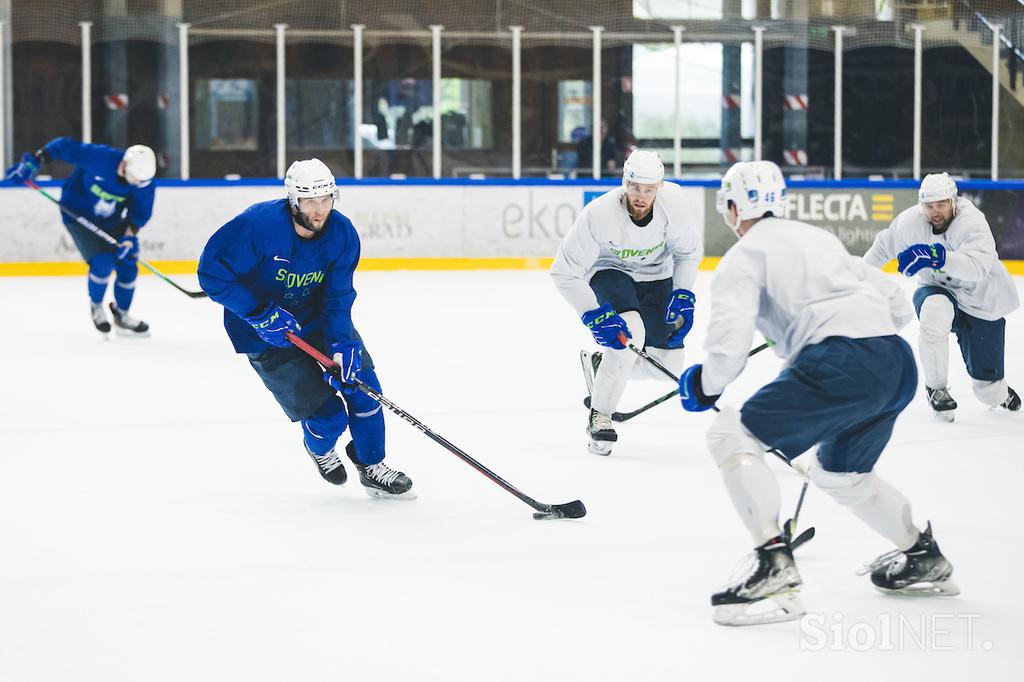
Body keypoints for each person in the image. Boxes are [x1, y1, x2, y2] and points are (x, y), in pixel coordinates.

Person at [678, 161, 958, 626]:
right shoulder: (819, 238)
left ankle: (773, 565)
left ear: (732, 208)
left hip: (840, 364)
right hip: (894, 361)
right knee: (839, 475)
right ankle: (923, 557)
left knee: (730, 433)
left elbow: (727, 352)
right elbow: (893, 302)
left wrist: (703, 385)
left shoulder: (742, 259)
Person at [197, 158, 414, 498]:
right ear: (293, 201)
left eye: (326, 199)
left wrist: (342, 343)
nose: (320, 210)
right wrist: (259, 314)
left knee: (364, 388)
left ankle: (372, 465)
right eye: (310, 201)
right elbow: (212, 273)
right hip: (262, 332)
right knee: (329, 417)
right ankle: (319, 448)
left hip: (318, 321)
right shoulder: (258, 226)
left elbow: (338, 295)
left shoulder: (342, 235)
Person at [551, 150, 703, 456]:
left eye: (649, 190)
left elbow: (688, 253)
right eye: (635, 187)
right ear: (625, 182)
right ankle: (601, 416)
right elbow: (564, 272)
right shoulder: (599, 213)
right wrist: (592, 314)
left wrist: (684, 294)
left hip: (658, 276)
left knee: (666, 369)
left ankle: (602, 365)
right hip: (611, 272)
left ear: (659, 187)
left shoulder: (675, 205)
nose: (641, 196)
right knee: (630, 334)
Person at [864, 172, 1020, 420]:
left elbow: (978, 268)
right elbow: (882, 247)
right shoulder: (910, 223)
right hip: (938, 289)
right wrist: (857, 281)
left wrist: (937, 256)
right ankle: (936, 389)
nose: (935, 211)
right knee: (935, 311)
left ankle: (999, 393)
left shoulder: (972, 222)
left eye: (941, 204)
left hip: (980, 299)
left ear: (953, 201)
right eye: (929, 205)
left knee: (987, 391)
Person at [5, 137, 156, 336]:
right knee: (102, 262)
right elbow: (65, 147)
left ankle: (122, 315)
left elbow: (139, 214)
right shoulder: (101, 158)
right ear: (125, 164)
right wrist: (36, 159)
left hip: (112, 222)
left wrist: (128, 238)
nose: (137, 183)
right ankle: (96, 306)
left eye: (141, 181)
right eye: (135, 178)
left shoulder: (143, 182)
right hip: (77, 215)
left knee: (128, 263)